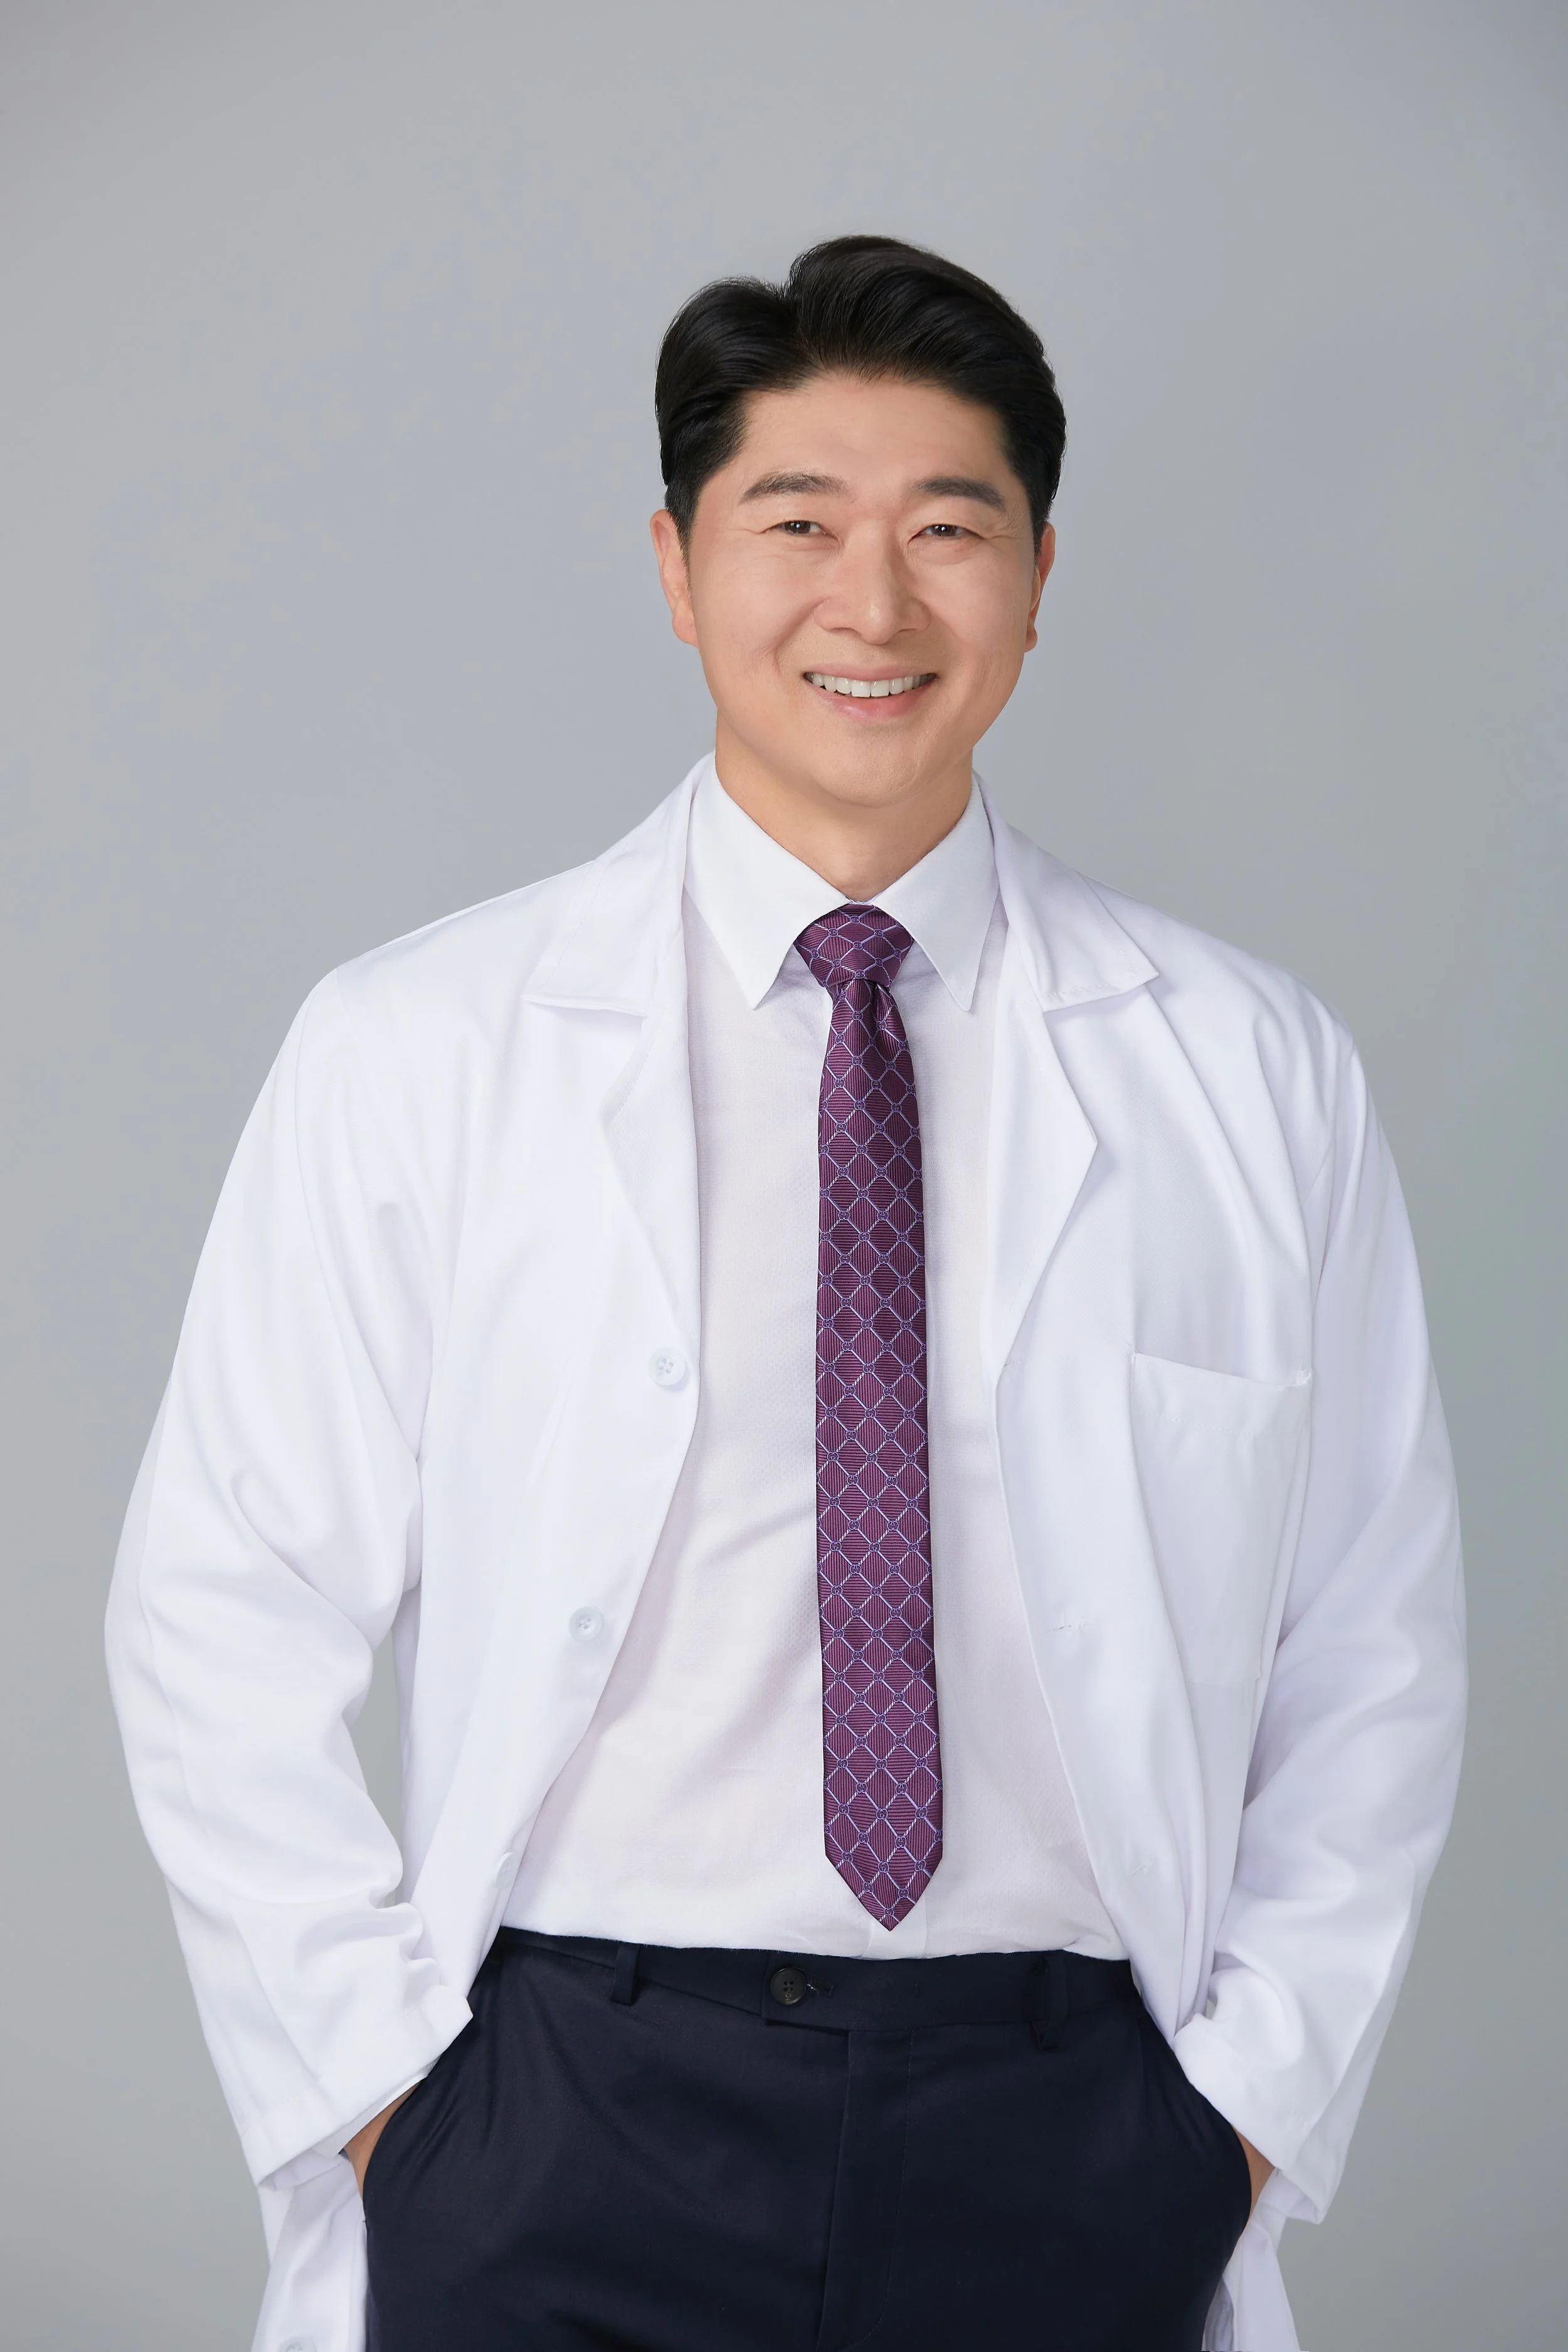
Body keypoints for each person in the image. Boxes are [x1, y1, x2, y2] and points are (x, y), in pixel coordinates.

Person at [107, 235, 1465, 2352]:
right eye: (797, 522)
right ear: (675, 565)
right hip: (558, 2110)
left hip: (1072, 2122)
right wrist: (385, 2106)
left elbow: (1371, 1636)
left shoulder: (1247, 1065)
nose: (874, 603)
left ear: (1037, 574)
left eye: (949, 529)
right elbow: (222, 1599)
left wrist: (1234, 2123)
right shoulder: (422, 1043)